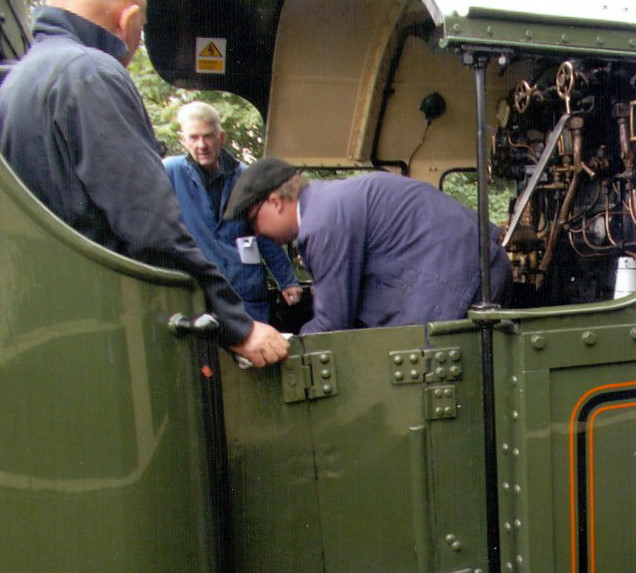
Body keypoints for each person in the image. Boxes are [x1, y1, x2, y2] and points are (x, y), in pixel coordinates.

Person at [0, 0, 288, 367]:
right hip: (102, 326)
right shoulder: (91, 73)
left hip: (51, 327)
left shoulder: (20, 80)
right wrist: (238, 327)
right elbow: (151, 228)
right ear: (129, 19)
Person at [224, 158, 511, 334]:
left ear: (275, 202)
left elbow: (331, 324)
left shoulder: (321, 222)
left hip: (461, 284)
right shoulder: (328, 202)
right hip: (475, 271)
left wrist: (286, 343)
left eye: (253, 222)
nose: (256, 233)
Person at [164, 101, 302, 323]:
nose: (202, 145)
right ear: (183, 140)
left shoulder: (245, 177)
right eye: (194, 137)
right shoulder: (171, 172)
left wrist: (287, 280)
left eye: (208, 136)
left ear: (221, 137)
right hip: (198, 294)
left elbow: (266, 233)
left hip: (246, 294)